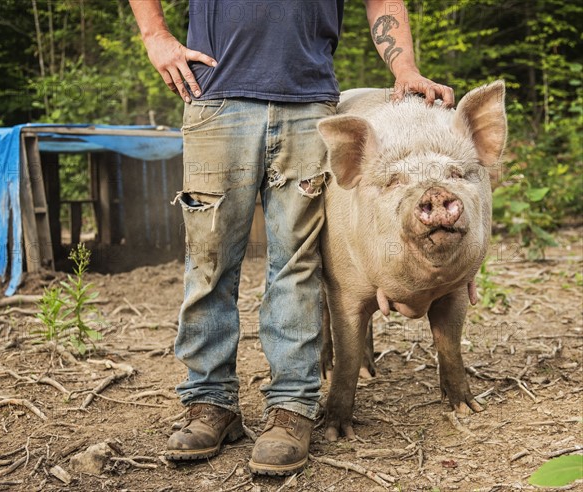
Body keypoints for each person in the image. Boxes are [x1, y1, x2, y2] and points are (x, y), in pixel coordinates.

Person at [129, 0, 453, 476]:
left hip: (309, 105)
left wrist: (404, 66)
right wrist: (155, 35)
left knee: (297, 263)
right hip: (216, 98)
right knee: (209, 262)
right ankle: (210, 404)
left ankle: (290, 410)